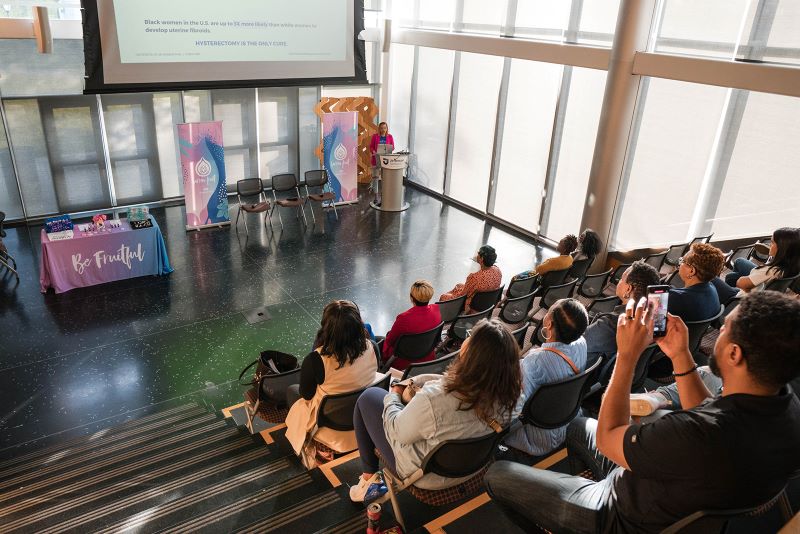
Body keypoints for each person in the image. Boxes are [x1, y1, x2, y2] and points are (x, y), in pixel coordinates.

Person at [485, 291, 800, 533]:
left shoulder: (695, 435)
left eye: (726, 328)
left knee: (497, 475)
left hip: (618, 512)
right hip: (670, 483)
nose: (719, 333)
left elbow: (609, 439)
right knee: (579, 424)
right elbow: (709, 410)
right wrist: (680, 356)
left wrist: (626, 356)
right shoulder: (787, 408)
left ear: (734, 353)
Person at [349, 318, 522, 501]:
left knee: (368, 397)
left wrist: (394, 394)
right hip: (475, 466)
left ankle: (369, 480)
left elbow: (396, 431)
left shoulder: (435, 399)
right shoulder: (515, 397)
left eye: (470, 338)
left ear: (473, 355)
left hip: (427, 476)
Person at [285, 300, 380, 465]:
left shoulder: (316, 359)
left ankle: (318, 446)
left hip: (333, 430)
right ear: (359, 324)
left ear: (326, 328)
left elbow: (306, 395)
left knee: (292, 392)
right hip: (366, 422)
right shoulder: (372, 347)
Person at [502, 299, 589, 460]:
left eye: (550, 309)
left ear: (549, 324)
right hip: (568, 422)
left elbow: (515, 408)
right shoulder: (581, 344)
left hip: (538, 439)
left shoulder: (535, 362)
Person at [585, 260, 660, 367]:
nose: (619, 281)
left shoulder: (609, 324)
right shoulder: (655, 321)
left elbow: (578, 344)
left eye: (621, 279)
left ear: (628, 289)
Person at [712, 227, 800, 303]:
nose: (769, 244)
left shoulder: (769, 271)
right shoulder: (792, 266)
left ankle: (722, 303)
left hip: (740, 301)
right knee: (733, 272)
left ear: (782, 249)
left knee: (710, 277)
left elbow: (740, 283)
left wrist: (747, 284)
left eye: (772, 242)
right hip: (754, 294)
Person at [380, 280, 442, 371]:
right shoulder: (436, 309)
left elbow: (390, 341)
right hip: (427, 356)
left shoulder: (404, 318)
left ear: (411, 298)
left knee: (381, 340)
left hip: (403, 361)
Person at [667, 242, 723, 321]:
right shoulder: (712, 288)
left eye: (682, 261)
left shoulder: (675, 298)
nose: (680, 264)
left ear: (691, 271)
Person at [440, 245, 502, 314]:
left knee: (443, 297)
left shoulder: (474, 277)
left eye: (478, 253)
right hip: (488, 302)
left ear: (481, 259)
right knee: (459, 285)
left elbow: (463, 296)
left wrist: (451, 295)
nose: (477, 255)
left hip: (472, 304)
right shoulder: (498, 270)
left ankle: (447, 315)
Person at [512, 234, 578, 282]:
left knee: (515, 278)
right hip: (555, 283)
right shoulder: (570, 258)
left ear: (564, 249)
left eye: (560, 244)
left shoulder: (554, 261)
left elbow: (537, 270)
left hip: (541, 282)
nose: (558, 244)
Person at [369, 122, 394, 203]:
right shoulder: (375, 136)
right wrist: (373, 151)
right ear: (379, 129)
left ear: (387, 129)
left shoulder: (390, 137)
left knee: (385, 179)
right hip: (376, 159)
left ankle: (384, 195)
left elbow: (393, 146)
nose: (383, 129)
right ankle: (376, 196)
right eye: (382, 128)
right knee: (375, 178)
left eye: (385, 128)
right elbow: (371, 147)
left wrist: (388, 149)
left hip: (385, 160)